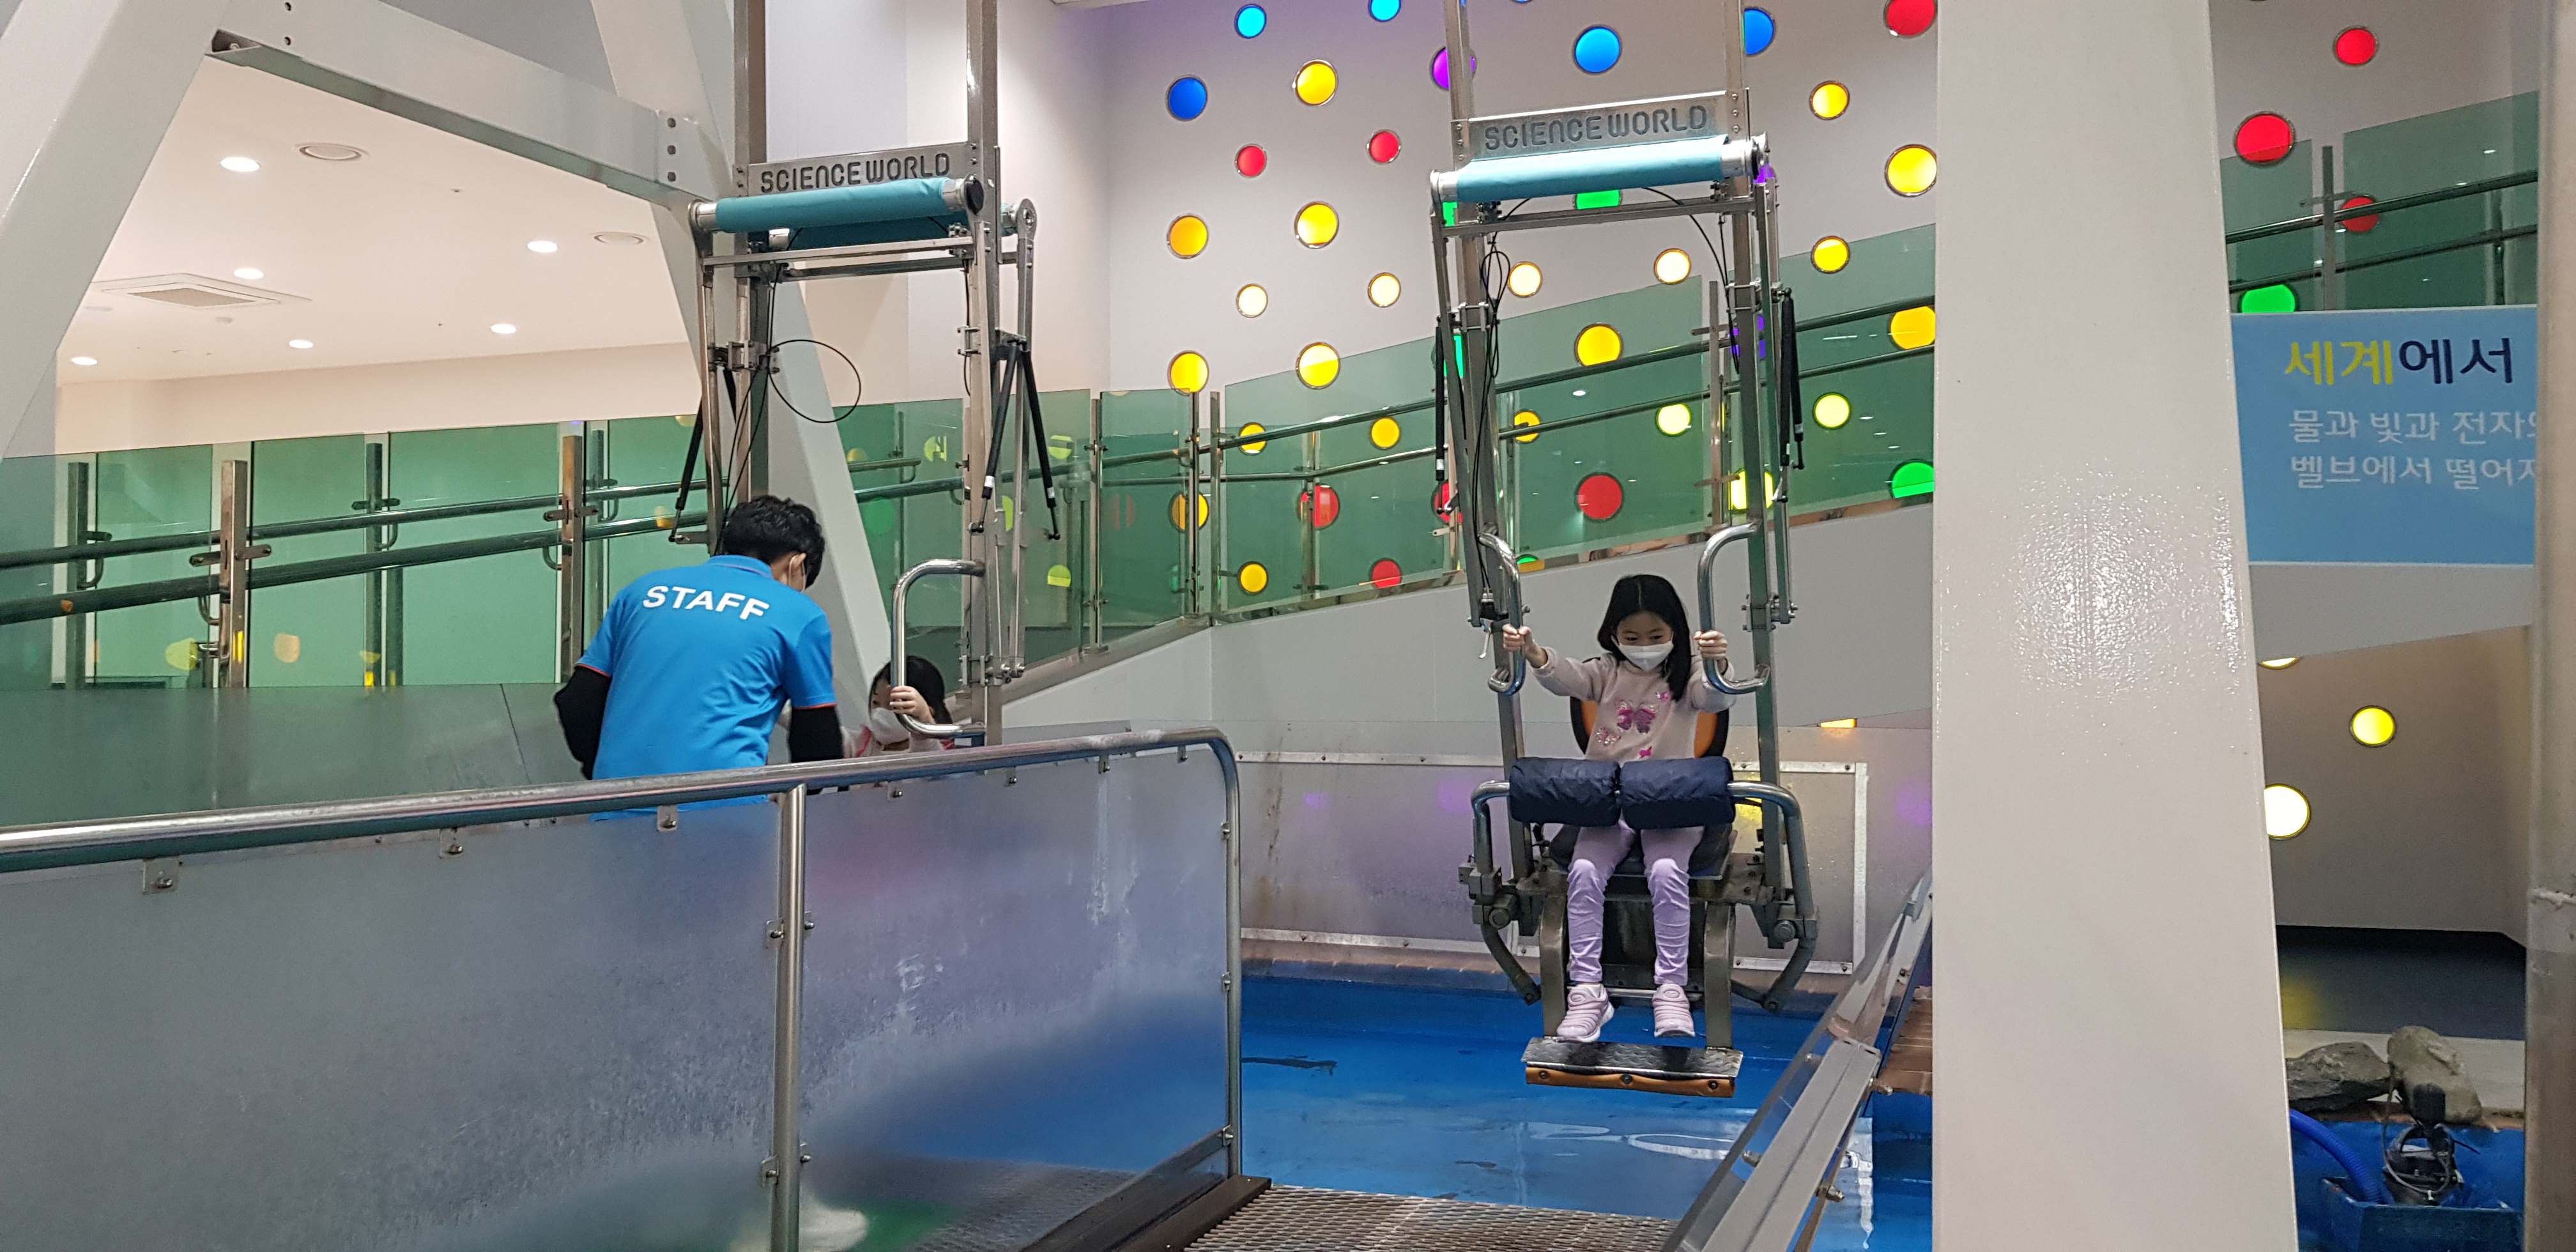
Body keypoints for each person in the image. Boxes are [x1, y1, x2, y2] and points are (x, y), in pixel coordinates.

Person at [1498, 573, 1734, 1043]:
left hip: (1668, 801)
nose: (1644, 646)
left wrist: (1717, 662)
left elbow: (1715, 696)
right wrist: (1533, 652)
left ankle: (1671, 987)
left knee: (1667, 872)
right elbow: (1566, 677)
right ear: (1614, 634)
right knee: (1584, 873)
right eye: (1632, 637)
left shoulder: (1687, 675)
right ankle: (1588, 991)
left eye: (1655, 635)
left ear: (1675, 631)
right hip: (1610, 803)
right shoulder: (1606, 671)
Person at [554, 495, 844, 792]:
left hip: (621, 799)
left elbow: (577, 702)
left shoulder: (642, 591)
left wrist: (608, 775)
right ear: (798, 564)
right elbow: (817, 739)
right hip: (726, 804)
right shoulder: (798, 613)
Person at [850, 656, 954, 755]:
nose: (879, 713)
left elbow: (926, 754)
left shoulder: (937, 750)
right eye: (875, 703)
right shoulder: (861, 745)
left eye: (893, 705)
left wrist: (924, 725)